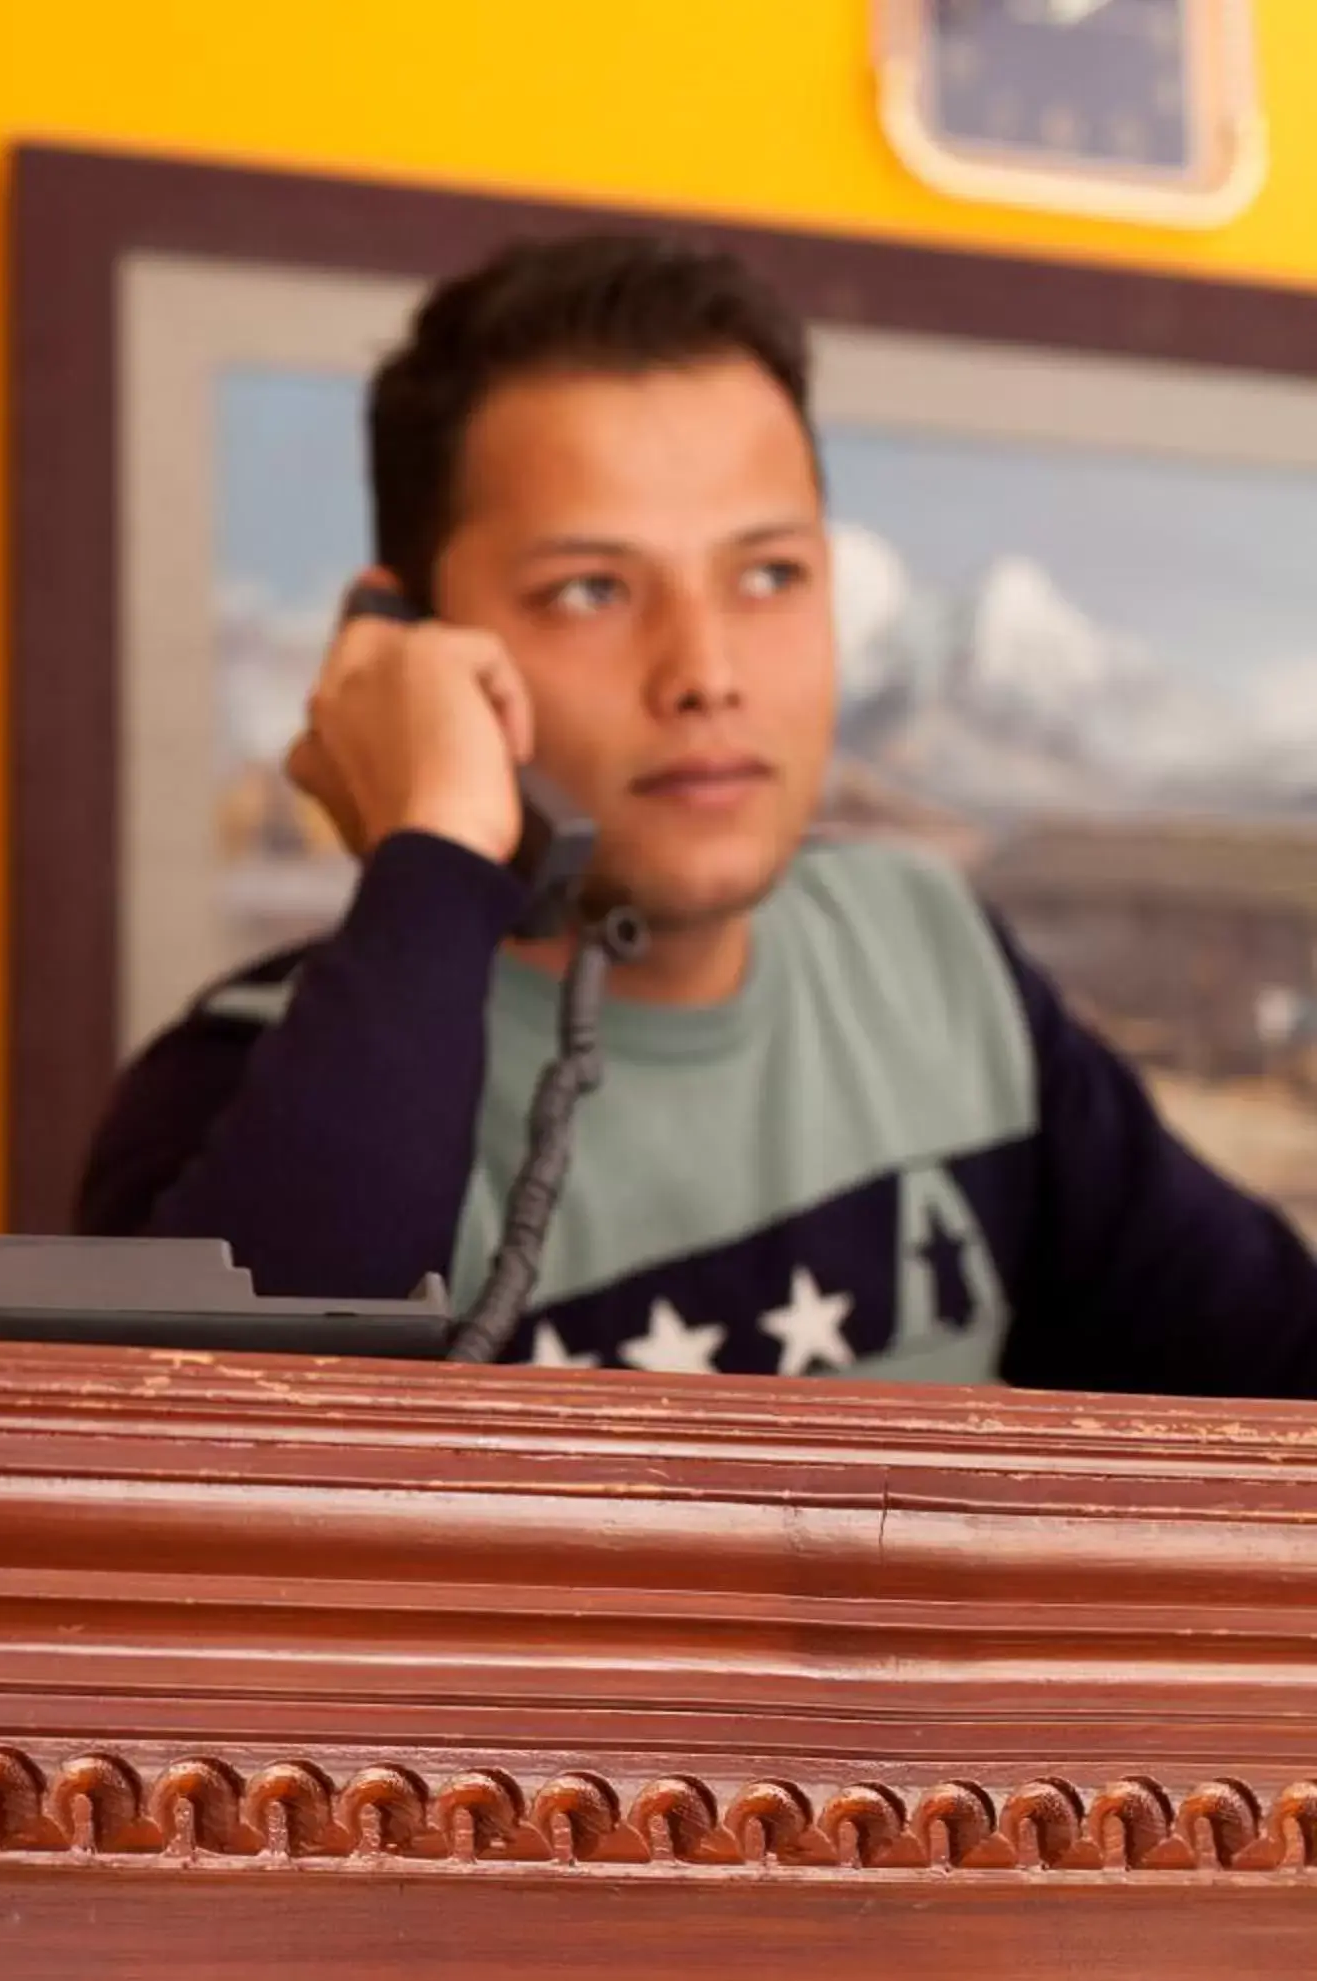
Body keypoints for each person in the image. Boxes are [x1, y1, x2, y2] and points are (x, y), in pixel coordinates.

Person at [76, 233, 1317, 1393]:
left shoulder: (933, 957)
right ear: (400, 646)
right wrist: (439, 850)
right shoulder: (240, 1088)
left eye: (770, 574)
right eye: (592, 589)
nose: (706, 670)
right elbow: (192, 1509)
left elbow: (1274, 1360)